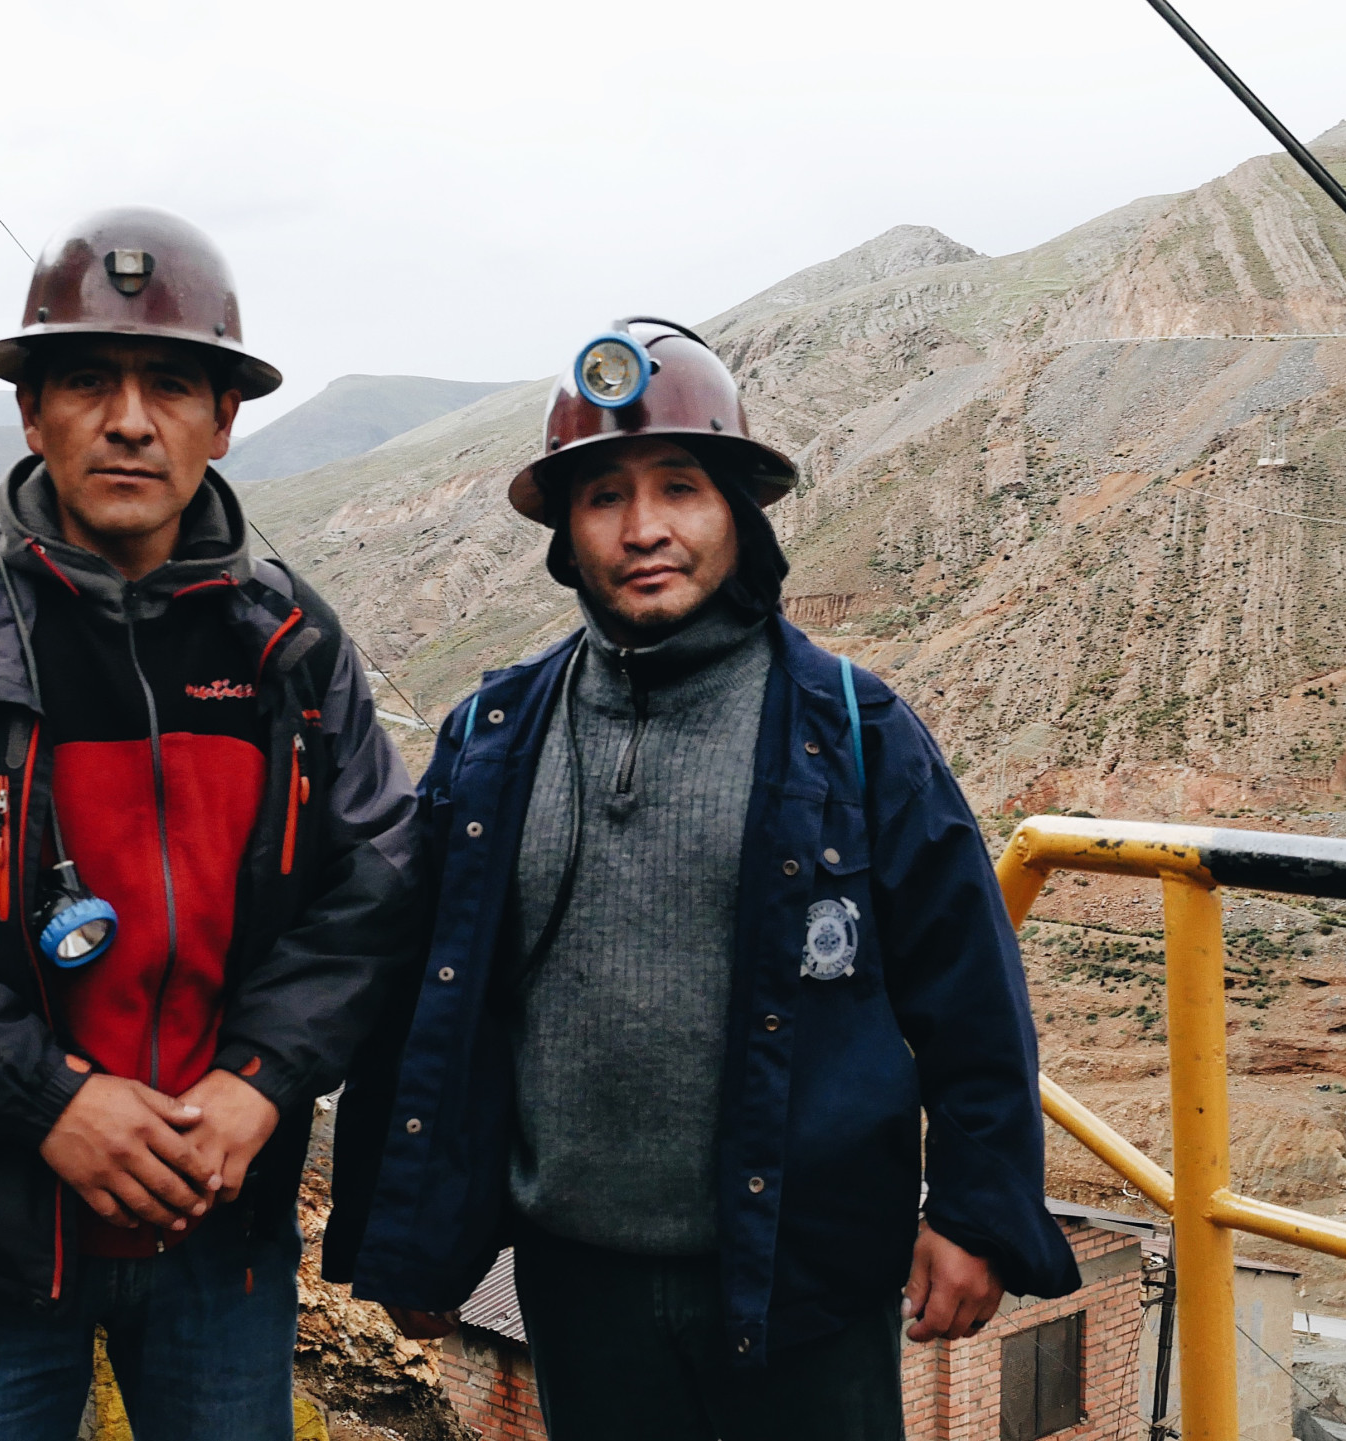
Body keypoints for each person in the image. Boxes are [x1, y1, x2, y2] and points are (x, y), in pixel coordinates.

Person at [324, 319, 1078, 1439]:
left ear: (736, 508)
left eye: (679, 486)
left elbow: (969, 993)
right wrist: (412, 1229)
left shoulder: (856, 732)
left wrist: (975, 1213)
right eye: (604, 497)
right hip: (577, 1286)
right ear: (565, 534)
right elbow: (419, 1003)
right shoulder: (491, 734)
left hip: (807, 1276)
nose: (644, 529)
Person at [0, 207, 421, 1441]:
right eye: (87, 381)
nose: (130, 419)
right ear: (34, 412)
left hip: (215, 1232)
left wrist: (259, 1082)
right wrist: (53, 1105)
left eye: (171, 384)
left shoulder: (288, 644)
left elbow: (377, 885)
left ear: (223, 419)